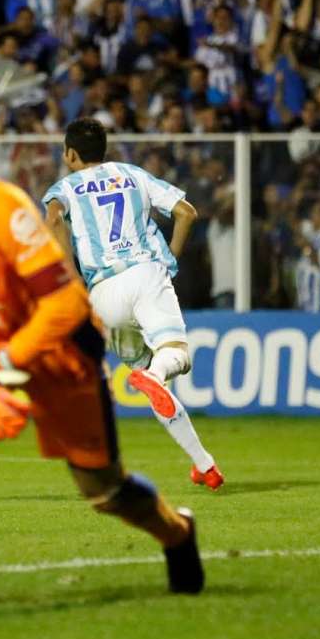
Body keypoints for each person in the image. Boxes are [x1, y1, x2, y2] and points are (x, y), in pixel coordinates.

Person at [0, 127, 203, 612]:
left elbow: (65, 303)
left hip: (59, 349)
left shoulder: (0, 207)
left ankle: (176, 532)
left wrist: (1, 363)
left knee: (103, 490)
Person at [42, 117, 224, 490]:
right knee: (175, 357)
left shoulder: (66, 187)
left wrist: (71, 276)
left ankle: (204, 465)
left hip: (103, 295)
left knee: (148, 372)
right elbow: (186, 212)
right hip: (145, 273)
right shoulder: (133, 173)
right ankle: (155, 376)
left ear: (70, 154)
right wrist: (171, 257)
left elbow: (54, 217)